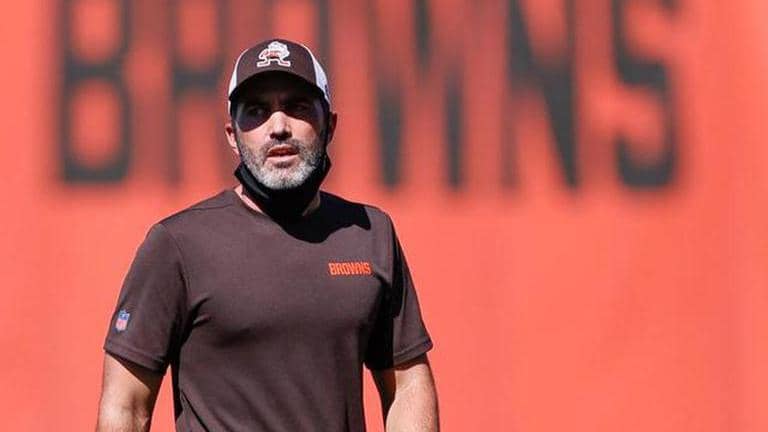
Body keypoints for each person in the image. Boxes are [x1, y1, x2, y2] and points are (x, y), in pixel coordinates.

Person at [96, 38, 439, 431]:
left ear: (330, 125)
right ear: (232, 134)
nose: (278, 127)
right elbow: (126, 406)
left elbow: (408, 385)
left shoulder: (370, 234)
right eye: (257, 111)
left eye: (297, 107)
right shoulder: (177, 245)